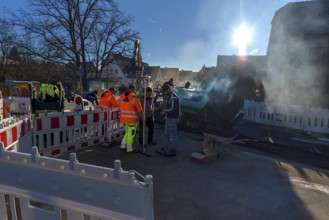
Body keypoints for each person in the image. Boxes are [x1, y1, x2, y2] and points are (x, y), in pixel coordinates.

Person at [118, 85, 144, 153]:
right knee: (131, 134)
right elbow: (139, 110)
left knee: (127, 132)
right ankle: (129, 148)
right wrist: (143, 119)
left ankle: (123, 145)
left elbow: (119, 107)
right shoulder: (134, 98)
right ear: (133, 90)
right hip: (131, 120)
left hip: (124, 119)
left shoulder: (121, 97)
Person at [159, 84, 180, 156]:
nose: (164, 93)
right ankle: (164, 147)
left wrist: (164, 110)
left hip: (173, 118)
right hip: (169, 118)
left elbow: (172, 108)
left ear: (168, 90)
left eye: (164, 92)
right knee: (166, 133)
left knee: (172, 135)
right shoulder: (169, 97)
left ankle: (173, 150)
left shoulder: (173, 97)